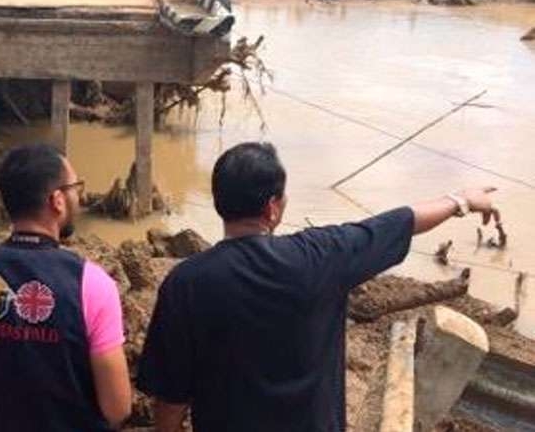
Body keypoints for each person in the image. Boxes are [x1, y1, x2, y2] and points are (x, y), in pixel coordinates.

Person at [136, 142, 500, 432]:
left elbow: (170, 398)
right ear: (273, 208)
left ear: (219, 202)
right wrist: (462, 201)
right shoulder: (322, 256)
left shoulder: (186, 283)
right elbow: (400, 222)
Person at [0, 144, 132, 431]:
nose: (81, 196)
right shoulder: (92, 283)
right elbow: (117, 407)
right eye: (76, 187)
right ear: (57, 200)